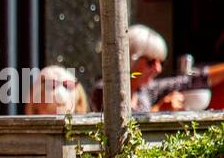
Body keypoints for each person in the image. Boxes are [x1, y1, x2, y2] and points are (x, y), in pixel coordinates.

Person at [91, 24, 224, 113]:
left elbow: (189, 81)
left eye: (161, 62)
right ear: (130, 58)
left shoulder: (144, 91)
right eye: (151, 62)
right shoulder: (105, 89)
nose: (158, 69)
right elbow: (120, 129)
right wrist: (158, 111)